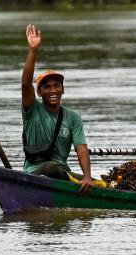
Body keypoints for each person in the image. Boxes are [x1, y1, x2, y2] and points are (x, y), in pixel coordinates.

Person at [21, 24, 91, 192]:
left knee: (97, 182)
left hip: (62, 173)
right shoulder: (32, 110)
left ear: (63, 89)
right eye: (47, 87)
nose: (53, 90)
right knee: (50, 168)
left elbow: (81, 149)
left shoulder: (73, 117)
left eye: (56, 86)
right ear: (39, 92)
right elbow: (25, 84)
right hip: (36, 172)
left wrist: (87, 177)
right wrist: (33, 50)